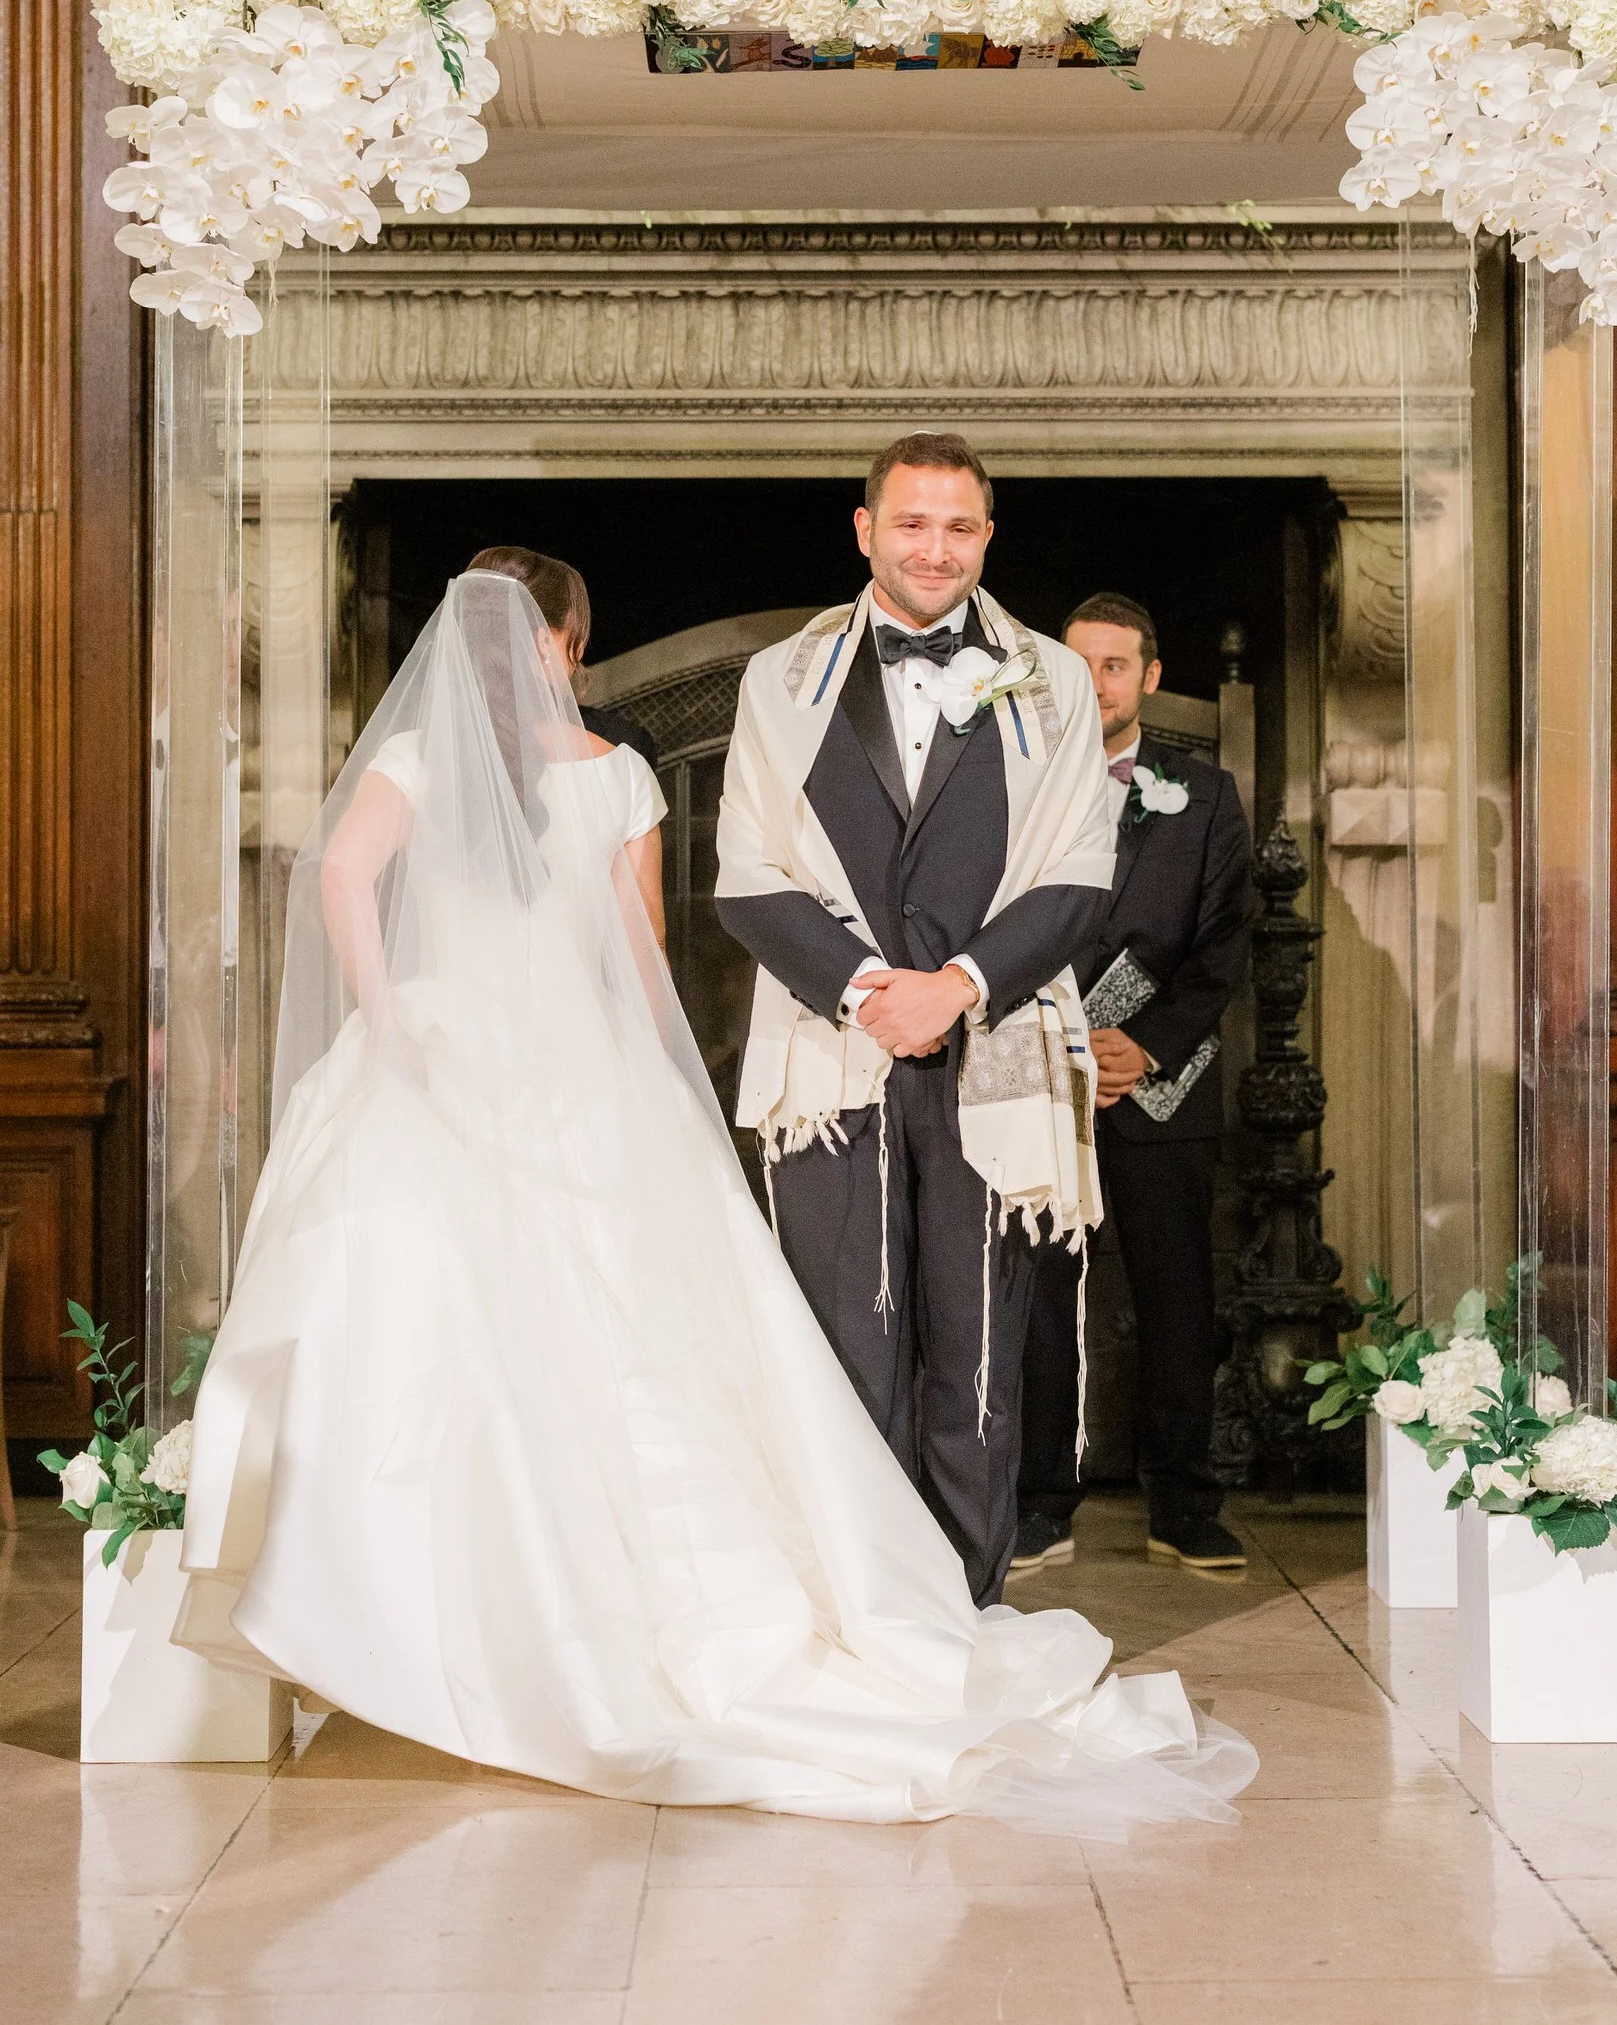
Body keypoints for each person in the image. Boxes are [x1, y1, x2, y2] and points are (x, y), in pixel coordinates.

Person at [175, 560, 1255, 1835]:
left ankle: (405, 1624)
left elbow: (337, 879)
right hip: (574, 1073)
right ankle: (619, 1616)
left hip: (439, 1051)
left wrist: (390, 1021)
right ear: (571, 643)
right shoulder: (620, 773)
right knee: (610, 1356)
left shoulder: (412, 756)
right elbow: (636, 961)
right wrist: (654, 1092)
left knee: (427, 1337)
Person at [714, 433, 1118, 1607]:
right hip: (831, 1051)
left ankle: (965, 1612)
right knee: (846, 1348)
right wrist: (867, 991)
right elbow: (746, 873)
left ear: (987, 538)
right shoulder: (778, 678)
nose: (933, 549)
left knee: (978, 1356)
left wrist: (957, 987)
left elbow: (1079, 871)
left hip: (991, 1046)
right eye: (910, 524)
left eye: (958, 528)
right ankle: (861, 1609)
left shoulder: (1047, 676)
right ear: (863, 530)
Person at [1013, 593, 1254, 1578]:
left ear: (1148, 676)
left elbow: (1223, 939)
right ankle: (1034, 1503)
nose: (1096, 683)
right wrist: (1059, 1037)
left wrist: (1143, 1045)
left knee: (1174, 1298)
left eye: (1115, 665)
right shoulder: (1008, 782)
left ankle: (1181, 1506)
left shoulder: (1201, 794)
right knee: (1032, 1300)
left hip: (1161, 1081)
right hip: (1034, 1077)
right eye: (1078, 665)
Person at [466, 541, 662, 775]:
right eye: (576, 634)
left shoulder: (414, 757)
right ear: (544, 642)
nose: (580, 651)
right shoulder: (621, 768)